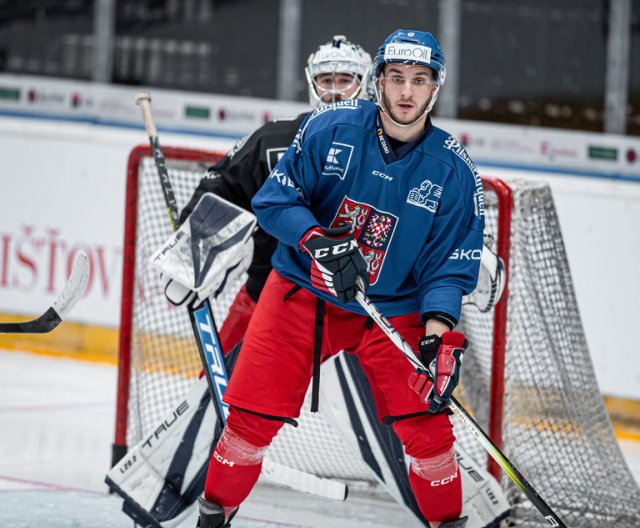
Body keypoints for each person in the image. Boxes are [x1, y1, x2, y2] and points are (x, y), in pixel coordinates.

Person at [196, 28, 484, 528]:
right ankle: (214, 516)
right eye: (396, 78)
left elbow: (448, 267)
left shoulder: (455, 172)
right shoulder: (330, 130)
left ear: (435, 89)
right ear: (379, 82)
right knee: (246, 424)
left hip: (394, 310)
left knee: (429, 434)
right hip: (302, 295)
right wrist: (317, 242)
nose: (407, 92)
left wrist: (438, 336)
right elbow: (274, 200)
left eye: (419, 80)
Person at [179, 35, 372, 353]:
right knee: (216, 394)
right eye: (326, 80)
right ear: (312, 84)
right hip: (265, 297)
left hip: (353, 312)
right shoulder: (274, 139)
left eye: (345, 80)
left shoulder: (382, 149)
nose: (335, 91)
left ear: (364, 84)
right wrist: (189, 249)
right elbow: (221, 185)